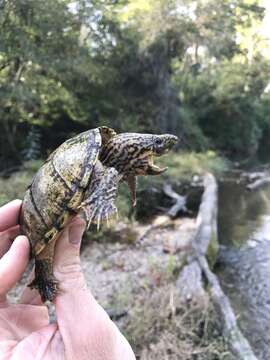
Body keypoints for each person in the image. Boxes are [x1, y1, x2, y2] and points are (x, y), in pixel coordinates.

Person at [0, 200, 136, 360]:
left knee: (40, 262)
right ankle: (45, 282)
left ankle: (44, 281)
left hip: (41, 221)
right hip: (44, 219)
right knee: (39, 261)